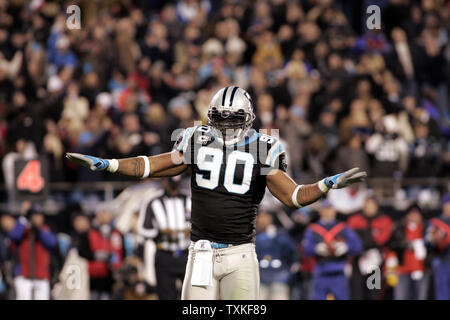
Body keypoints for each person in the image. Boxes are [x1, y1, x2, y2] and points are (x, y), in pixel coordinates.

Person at [66, 86, 367, 300]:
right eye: (219, 118)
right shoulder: (195, 138)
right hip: (201, 252)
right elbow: (150, 166)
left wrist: (325, 185)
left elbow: (294, 196)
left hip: (240, 253)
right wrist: (110, 165)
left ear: (247, 118)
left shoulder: (263, 147)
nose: (223, 125)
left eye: (231, 119)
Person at [138, 176, 191, 300]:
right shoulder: (153, 201)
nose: (174, 189)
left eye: (176, 185)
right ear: (164, 182)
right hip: (164, 254)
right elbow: (144, 229)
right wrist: (160, 232)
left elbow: (202, 224)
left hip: (186, 254)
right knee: (166, 295)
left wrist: (191, 231)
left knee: (190, 294)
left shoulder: (189, 199)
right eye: (171, 184)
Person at [303, 200, 362, 300]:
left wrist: (346, 246)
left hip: (338, 271)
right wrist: (316, 248)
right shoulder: (313, 229)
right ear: (321, 211)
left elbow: (358, 246)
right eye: (326, 209)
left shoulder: (343, 227)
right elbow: (305, 248)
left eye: (330, 209)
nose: (329, 212)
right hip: (321, 271)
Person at [3, 206, 57, 300]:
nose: (37, 218)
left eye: (39, 216)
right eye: (34, 216)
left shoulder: (45, 230)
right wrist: (23, 219)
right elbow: (13, 236)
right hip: (23, 275)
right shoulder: (23, 230)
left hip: (41, 275)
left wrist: (38, 230)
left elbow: (52, 243)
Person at [347, 196, 394, 300]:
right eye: (367, 205)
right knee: (356, 293)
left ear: (376, 207)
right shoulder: (355, 219)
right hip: (357, 259)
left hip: (375, 262)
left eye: (372, 206)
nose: (369, 208)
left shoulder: (384, 220)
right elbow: (350, 237)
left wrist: (363, 237)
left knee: (373, 292)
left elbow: (382, 239)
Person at [255, 211, 297, 300]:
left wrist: (288, 273)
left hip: (279, 276)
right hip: (260, 278)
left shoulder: (280, 235)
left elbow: (291, 252)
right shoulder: (256, 236)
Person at [389, 205, 428, 300]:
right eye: (412, 214)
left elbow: (432, 247)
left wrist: (425, 244)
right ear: (407, 216)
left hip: (421, 270)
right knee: (401, 296)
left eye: (417, 214)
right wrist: (406, 244)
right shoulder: (399, 227)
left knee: (420, 297)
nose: (414, 217)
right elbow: (392, 244)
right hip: (402, 269)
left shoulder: (426, 228)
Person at [425, 195, 450, 300]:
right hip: (441, 259)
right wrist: (432, 239)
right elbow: (428, 243)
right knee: (442, 290)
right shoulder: (435, 222)